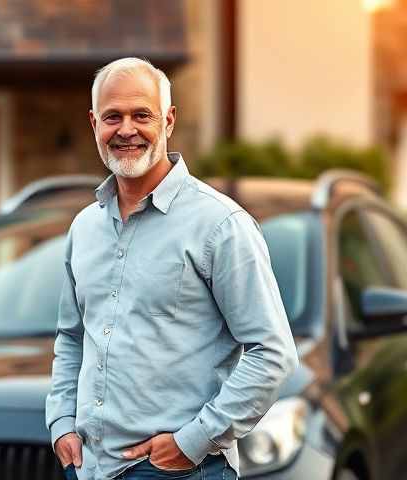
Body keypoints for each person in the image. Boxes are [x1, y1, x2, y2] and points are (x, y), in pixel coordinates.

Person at [45, 58, 299, 480]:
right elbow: (73, 337)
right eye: (112, 117)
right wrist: (61, 423)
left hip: (177, 471)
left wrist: (195, 441)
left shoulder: (220, 225)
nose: (126, 129)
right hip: (87, 467)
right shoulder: (84, 227)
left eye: (141, 114)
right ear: (94, 124)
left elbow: (273, 353)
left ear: (169, 120)